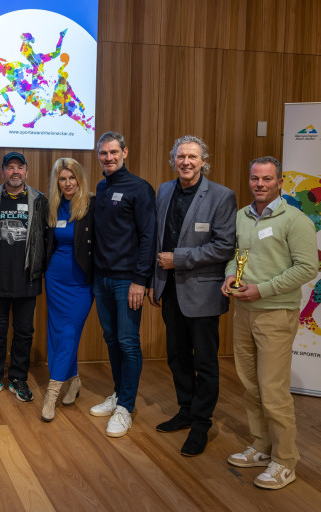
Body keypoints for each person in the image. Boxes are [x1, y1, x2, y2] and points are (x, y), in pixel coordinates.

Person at [221, 156, 318, 489]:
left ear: (279, 182)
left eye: (267, 179)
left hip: (276, 313)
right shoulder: (241, 217)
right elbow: (235, 254)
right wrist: (230, 276)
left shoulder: (296, 220)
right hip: (244, 311)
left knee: (274, 391)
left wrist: (262, 290)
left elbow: (307, 268)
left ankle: (285, 461)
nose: (259, 184)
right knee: (250, 385)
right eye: (254, 178)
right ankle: (262, 446)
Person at [148, 136, 236, 456]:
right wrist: (154, 281)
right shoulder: (164, 191)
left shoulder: (222, 196)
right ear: (174, 159)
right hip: (170, 290)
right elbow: (157, 238)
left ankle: (201, 423)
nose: (186, 162)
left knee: (205, 362)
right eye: (181, 156)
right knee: (177, 357)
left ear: (203, 162)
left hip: (203, 293)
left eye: (192, 157)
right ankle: (185, 409)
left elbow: (224, 247)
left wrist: (178, 259)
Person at [90, 131, 156, 437]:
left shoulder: (140, 188)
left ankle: (126, 407)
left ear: (125, 152)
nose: (108, 157)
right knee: (112, 339)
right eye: (103, 153)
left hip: (127, 281)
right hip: (101, 279)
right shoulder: (102, 186)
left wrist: (139, 281)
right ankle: (118, 394)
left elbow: (148, 238)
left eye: (114, 152)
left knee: (128, 342)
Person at [0, 151, 48, 402]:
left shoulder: (39, 200)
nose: (15, 171)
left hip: (27, 279)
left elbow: (46, 238)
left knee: (24, 332)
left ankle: (18, 377)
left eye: (20, 167)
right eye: (10, 168)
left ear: (26, 171)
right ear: (2, 172)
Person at [42, 157, 94, 421]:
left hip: (81, 282)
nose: (68, 183)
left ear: (79, 178)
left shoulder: (91, 205)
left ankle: (52, 392)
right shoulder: (53, 206)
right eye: (62, 179)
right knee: (57, 333)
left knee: (69, 332)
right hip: (55, 279)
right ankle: (72, 380)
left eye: (72, 178)